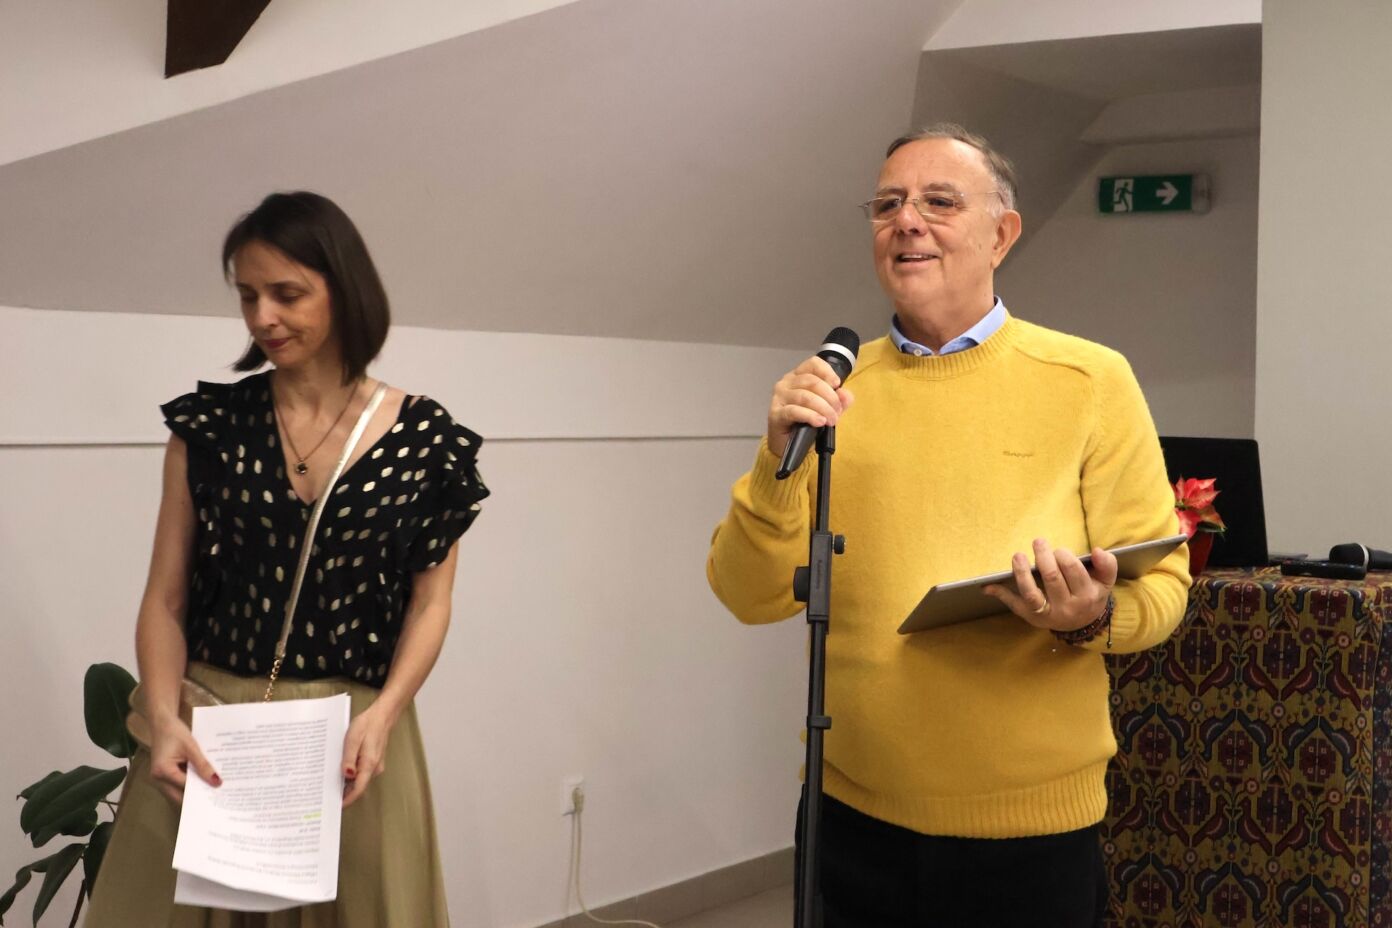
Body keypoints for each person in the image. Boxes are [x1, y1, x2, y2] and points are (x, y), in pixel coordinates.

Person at [706, 124, 1189, 927]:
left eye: (939, 202)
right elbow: (746, 595)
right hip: (849, 819)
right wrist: (775, 459)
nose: (907, 221)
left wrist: (1089, 615)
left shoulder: (1090, 380)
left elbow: (1165, 588)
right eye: (887, 205)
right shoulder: (833, 391)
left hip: (1030, 833)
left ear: (1002, 234)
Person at [87, 191, 488, 927]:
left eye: (287, 294)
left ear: (345, 290)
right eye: (248, 296)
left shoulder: (426, 440)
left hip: (352, 736)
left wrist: (387, 714)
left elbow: (431, 602)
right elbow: (166, 597)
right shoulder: (209, 427)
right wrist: (163, 715)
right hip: (212, 728)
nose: (262, 317)